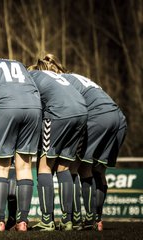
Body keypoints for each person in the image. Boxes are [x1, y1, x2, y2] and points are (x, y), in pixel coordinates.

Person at [37, 54, 127, 231]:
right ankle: (95, 219)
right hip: (118, 117)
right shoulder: (78, 77)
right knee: (97, 170)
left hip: (97, 117)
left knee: (72, 167)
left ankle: (74, 218)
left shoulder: (60, 81)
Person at [0, 49, 42, 232]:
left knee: (1, 165)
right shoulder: (18, 63)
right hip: (34, 107)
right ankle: (22, 221)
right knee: (25, 166)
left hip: (5, 106)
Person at [28, 62, 88, 231]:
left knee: (45, 166)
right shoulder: (55, 77)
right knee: (63, 167)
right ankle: (68, 221)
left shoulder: (31, 76)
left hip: (59, 113)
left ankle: (47, 220)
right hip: (82, 113)